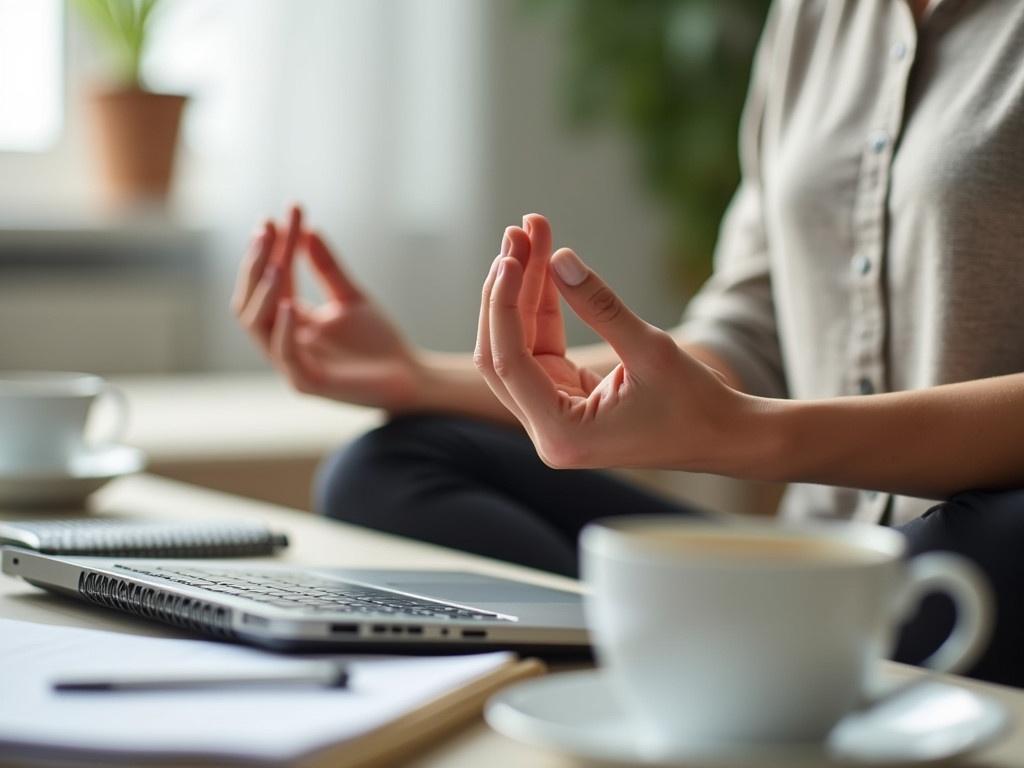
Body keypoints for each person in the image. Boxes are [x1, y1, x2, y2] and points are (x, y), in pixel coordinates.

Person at [233, 0, 1024, 686]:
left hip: (966, 561)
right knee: (389, 465)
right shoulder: (816, 16)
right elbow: (747, 332)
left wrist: (750, 436)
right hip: (808, 565)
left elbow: (742, 411)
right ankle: (753, 660)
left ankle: (709, 657)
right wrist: (415, 378)